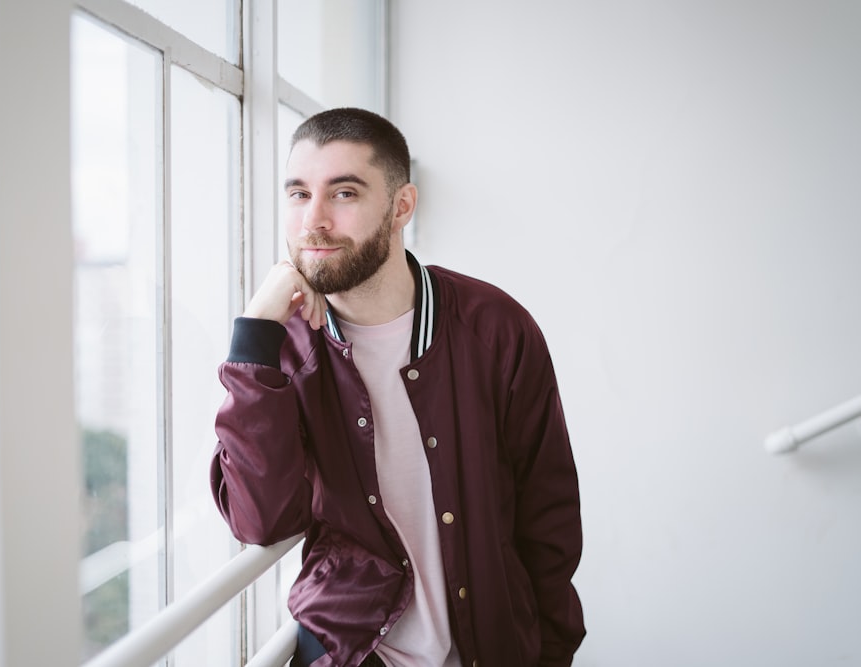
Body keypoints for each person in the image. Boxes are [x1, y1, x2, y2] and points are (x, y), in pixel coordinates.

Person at [211, 107, 585, 667]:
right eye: (297, 194)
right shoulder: (282, 349)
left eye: (343, 194)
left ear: (401, 206)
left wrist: (552, 652)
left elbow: (548, 516)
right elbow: (260, 520)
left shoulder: (495, 328)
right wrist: (253, 337)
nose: (313, 221)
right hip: (353, 653)